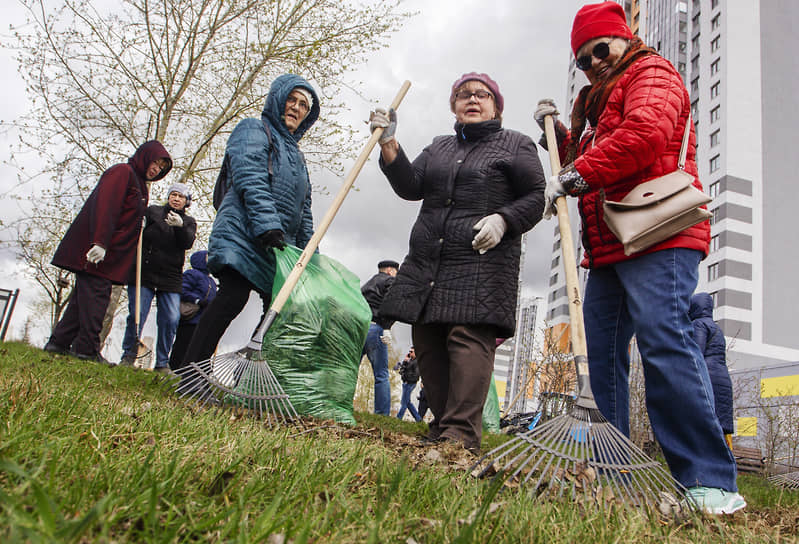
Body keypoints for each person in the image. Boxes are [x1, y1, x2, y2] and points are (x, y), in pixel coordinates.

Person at [535, 2, 743, 514]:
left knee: (664, 338)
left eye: (600, 50)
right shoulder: (596, 102)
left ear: (623, 40)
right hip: (609, 248)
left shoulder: (651, 73)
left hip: (660, 235)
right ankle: (609, 472)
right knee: (599, 356)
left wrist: (573, 175)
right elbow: (591, 153)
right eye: (583, 60)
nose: (594, 64)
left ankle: (710, 483)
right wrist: (559, 135)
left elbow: (642, 137)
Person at [369, 72, 546, 453]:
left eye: (482, 95)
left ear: (496, 106)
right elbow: (411, 185)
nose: (472, 99)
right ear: (453, 106)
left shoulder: (516, 144)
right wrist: (389, 144)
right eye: (464, 95)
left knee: (467, 336)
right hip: (430, 259)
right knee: (428, 338)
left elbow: (536, 197)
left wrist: (504, 220)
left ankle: (463, 432)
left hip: (482, 259)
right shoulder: (439, 147)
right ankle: (445, 424)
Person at [181, 74, 319, 369]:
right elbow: (249, 176)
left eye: (303, 105)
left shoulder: (297, 156)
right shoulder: (254, 129)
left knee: (277, 311)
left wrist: (309, 255)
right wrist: (266, 223)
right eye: (291, 100)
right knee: (233, 296)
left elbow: (303, 210)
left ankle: (248, 379)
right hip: (243, 233)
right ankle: (193, 370)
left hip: (278, 245)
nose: (295, 108)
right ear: (278, 100)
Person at [44, 141, 172, 364]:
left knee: (82, 299)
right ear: (145, 156)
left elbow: (126, 213)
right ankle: (86, 349)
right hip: (98, 252)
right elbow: (106, 206)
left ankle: (59, 342)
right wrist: (100, 242)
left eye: (161, 167)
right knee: (97, 297)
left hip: (112, 255)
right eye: (155, 162)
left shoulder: (140, 185)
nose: (156, 169)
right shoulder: (122, 172)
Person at [119, 183, 196, 371]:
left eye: (181, 197)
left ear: (187, 202)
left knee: (170, 318)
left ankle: (162, 363)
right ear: (168, 196)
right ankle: (128, 354)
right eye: (174, 195)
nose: (176, 199)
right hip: (144, 272)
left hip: (170, 277)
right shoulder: (152, 212)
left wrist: (179, 227)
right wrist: (139, 223)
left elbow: (187, 242)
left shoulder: (189, 222)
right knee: (138, 313)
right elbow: (137, 232)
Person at [690, 292, 734, 450]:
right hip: (722, 379)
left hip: (708, 377)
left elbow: (696, 354)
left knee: (704, 424)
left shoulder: (698, 324)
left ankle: (702, 468)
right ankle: (724, 466)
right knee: (720, 426)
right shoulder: (716, 328)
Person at [360, 259, 399, 415]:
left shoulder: (367, 285)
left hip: (360, 327)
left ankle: (343, 405)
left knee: (352, 369)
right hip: (376, 328)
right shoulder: (390, 281)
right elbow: (393, 303)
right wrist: (387, 327)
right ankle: (382, 413)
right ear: (390, 270)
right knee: (381, 374)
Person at [168, 250, 217, 370]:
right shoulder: (192, 274)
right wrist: (197, 300)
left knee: (199, 347)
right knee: (183, 344)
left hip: (203, 320)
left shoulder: (211, 281)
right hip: (191, 318)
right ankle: (175, 369)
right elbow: (182, 290)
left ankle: (194, 371)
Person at [395, 347, 421, 422]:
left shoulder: (417, 362)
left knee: (404, 402)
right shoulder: (409, 361)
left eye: (412, 351)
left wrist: (407, 379)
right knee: (408, 402)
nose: (410, 353)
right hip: (405, 383)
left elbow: (416, 376)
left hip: (410, 383)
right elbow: (401, 371)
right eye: (409, 351)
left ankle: (398, 418)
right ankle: (418, 419)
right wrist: (404, 362)